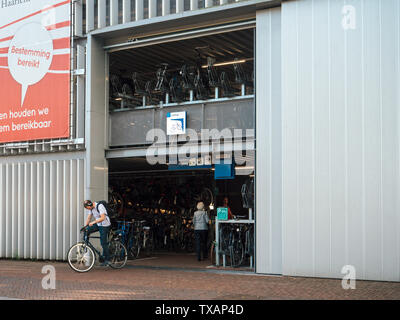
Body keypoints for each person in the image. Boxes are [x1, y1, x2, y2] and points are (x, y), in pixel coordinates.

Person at [83, 200, 111, 266]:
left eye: (87, 208)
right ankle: (85, 245)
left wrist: (93, 222)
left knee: (103, 243)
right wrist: (85, 227)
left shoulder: (100, 206)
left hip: (105, 225)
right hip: (98, 224)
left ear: (90, 205)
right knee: (86, 230)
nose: (88, 209)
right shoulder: (91, 208)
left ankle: (108, 259)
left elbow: (103, 218)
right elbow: (89, 218)